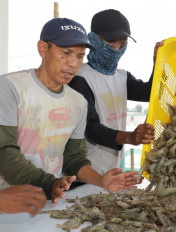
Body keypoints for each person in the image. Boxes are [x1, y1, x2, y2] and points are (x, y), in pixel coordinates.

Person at [0, 17, 141, 206]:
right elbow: (4, 152)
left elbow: (74, 159)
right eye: (65, 53)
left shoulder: (78, 102)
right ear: (43, 49)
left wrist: (101, 180)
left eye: (79, 56)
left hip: (48, 202)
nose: (73, 64)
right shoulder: (10, 87)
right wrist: (48, 183)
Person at [68, 9, 162, 174]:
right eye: (111, 42)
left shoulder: (122, 76)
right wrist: (129, 137)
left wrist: (158, 63)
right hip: (84, 172)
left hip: (112, 168)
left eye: (123, 42)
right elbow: (90, 128)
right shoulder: (80, 79)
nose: (117, 49)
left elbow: (149, 93)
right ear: (94, 40)